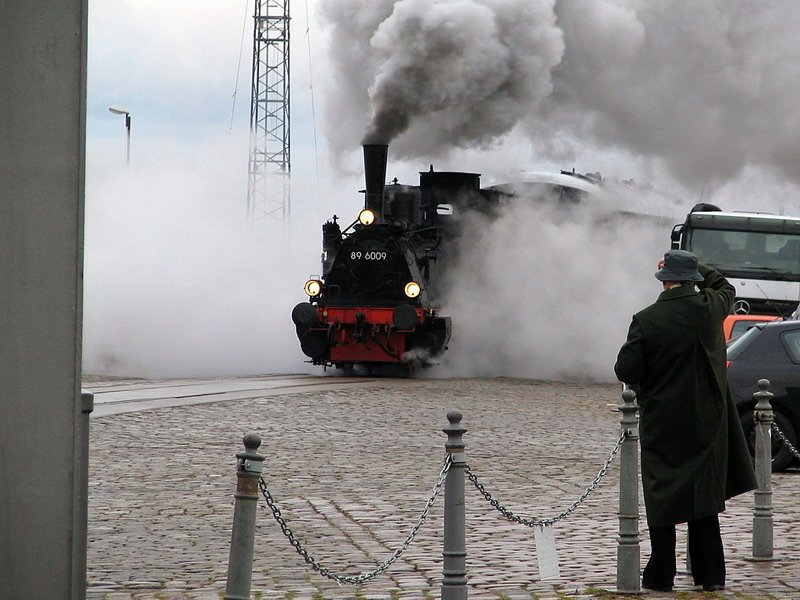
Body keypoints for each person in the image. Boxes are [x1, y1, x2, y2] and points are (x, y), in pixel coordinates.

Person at [614, 249, 757, 592]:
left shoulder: (646, 319)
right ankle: (710, 576)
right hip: (707, 423)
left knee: (662, 499)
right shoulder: (709, 308)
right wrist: (700, 267)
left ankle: (661, 574)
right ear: (692, 280)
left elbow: (626, 369)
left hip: (663, 422)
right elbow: (724, 285)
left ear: (663, 280)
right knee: (703, 500)